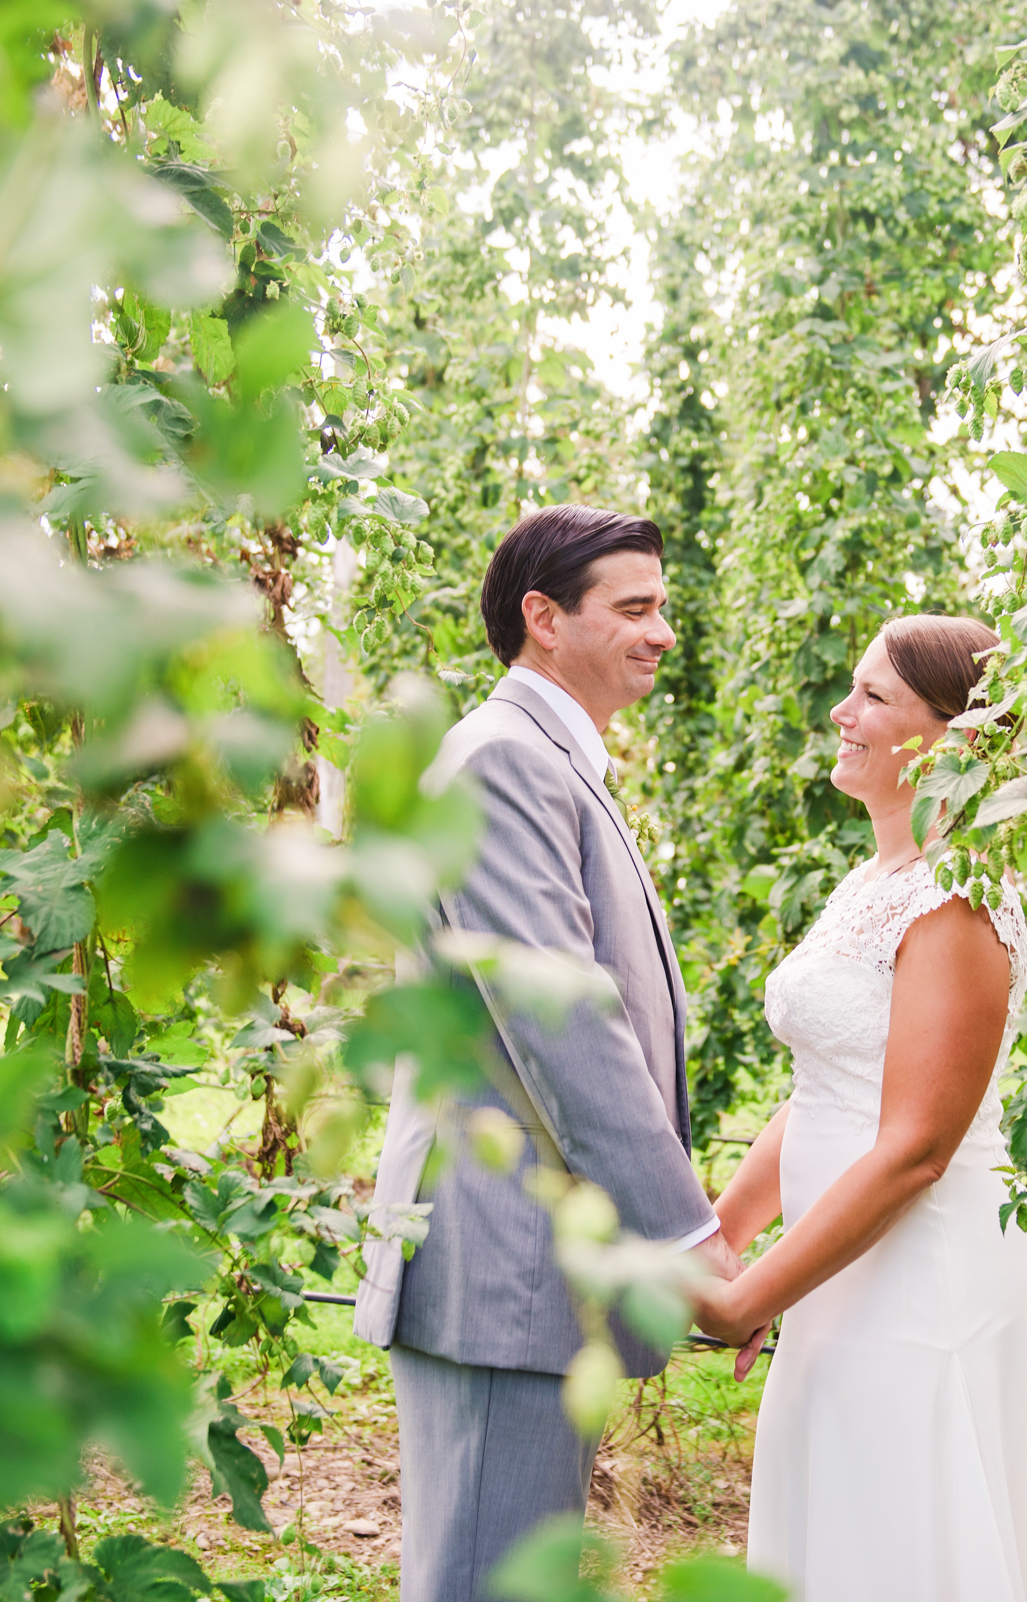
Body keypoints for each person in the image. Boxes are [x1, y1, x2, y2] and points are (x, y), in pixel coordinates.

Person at [353, 505, 745, 1602]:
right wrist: (688, 1235)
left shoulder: (553, 759)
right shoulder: (502, 762)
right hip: (500, 1261)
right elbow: (565, 1022)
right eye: (635, 607)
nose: (664, 631)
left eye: (663, 606)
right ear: (543, 618)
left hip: (532, 1268)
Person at [692, 615, 1027, 1602]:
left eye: (875, 698)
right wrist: (726, 1232)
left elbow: (920, 1143)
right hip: (843, 1261)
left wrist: (751, 1299)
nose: (842, 713)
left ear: (954, 737)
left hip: (929, 1268)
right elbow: (826, 1088)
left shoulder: (956, 899)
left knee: (910, 1540)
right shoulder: (873, 882)